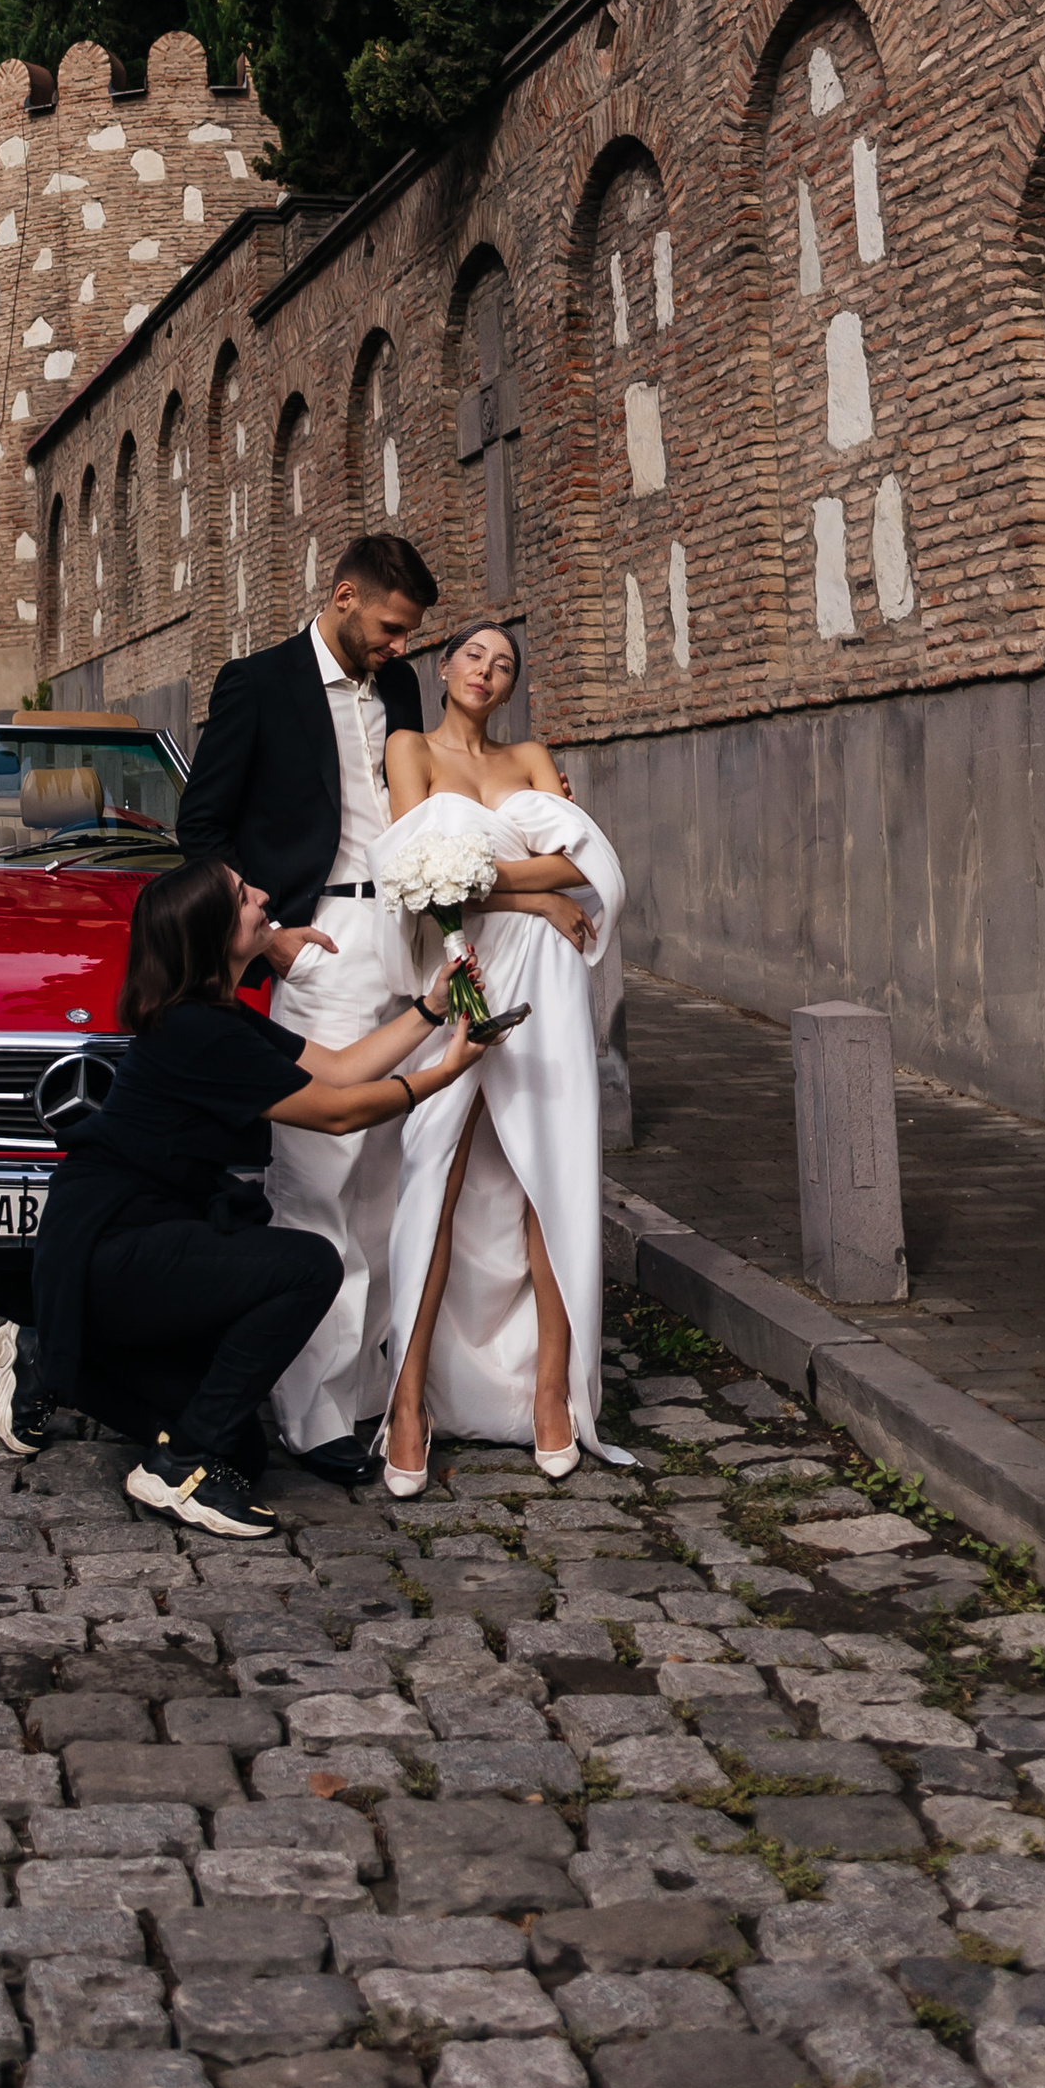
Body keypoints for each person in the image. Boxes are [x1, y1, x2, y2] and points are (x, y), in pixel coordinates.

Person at [18, 855, 483, 1537]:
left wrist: (429, 1010)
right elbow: (338, 1111)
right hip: (112, 1246)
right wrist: (443, 1073)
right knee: (308, 1265)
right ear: (211, 932)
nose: (263, 894)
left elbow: (342, 1067)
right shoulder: (197, 1032)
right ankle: (181, 1466)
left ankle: (53, 1360)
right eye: (242, 897)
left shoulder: (215, 1014)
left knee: (245, 1450)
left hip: (135, 1243)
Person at [173, 533, 439, 1483]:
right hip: (320, 943)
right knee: (319, 1179)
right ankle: (309, 1412)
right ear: (342, 597)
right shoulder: (257, 683)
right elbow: (197, 831)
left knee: (386, 1180)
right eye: (391, 628)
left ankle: (370, 1398)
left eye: (410, 635)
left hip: (409, 940)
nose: (402, 648)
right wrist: (273, 932)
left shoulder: (400, 689)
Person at [376, 618, 635, 1488]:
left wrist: (521, 892)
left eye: (507, 663)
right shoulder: (406, 746)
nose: (489, 671)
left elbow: (577, 868)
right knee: (436, 1173)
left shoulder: (529, 757)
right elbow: (417, 871)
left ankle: (552, 1395)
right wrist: (530, 900)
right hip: (459, 966)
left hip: (545, 979)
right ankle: (408, 1403)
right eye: (474, 656)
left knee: (543, 1180)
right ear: (443, 667)